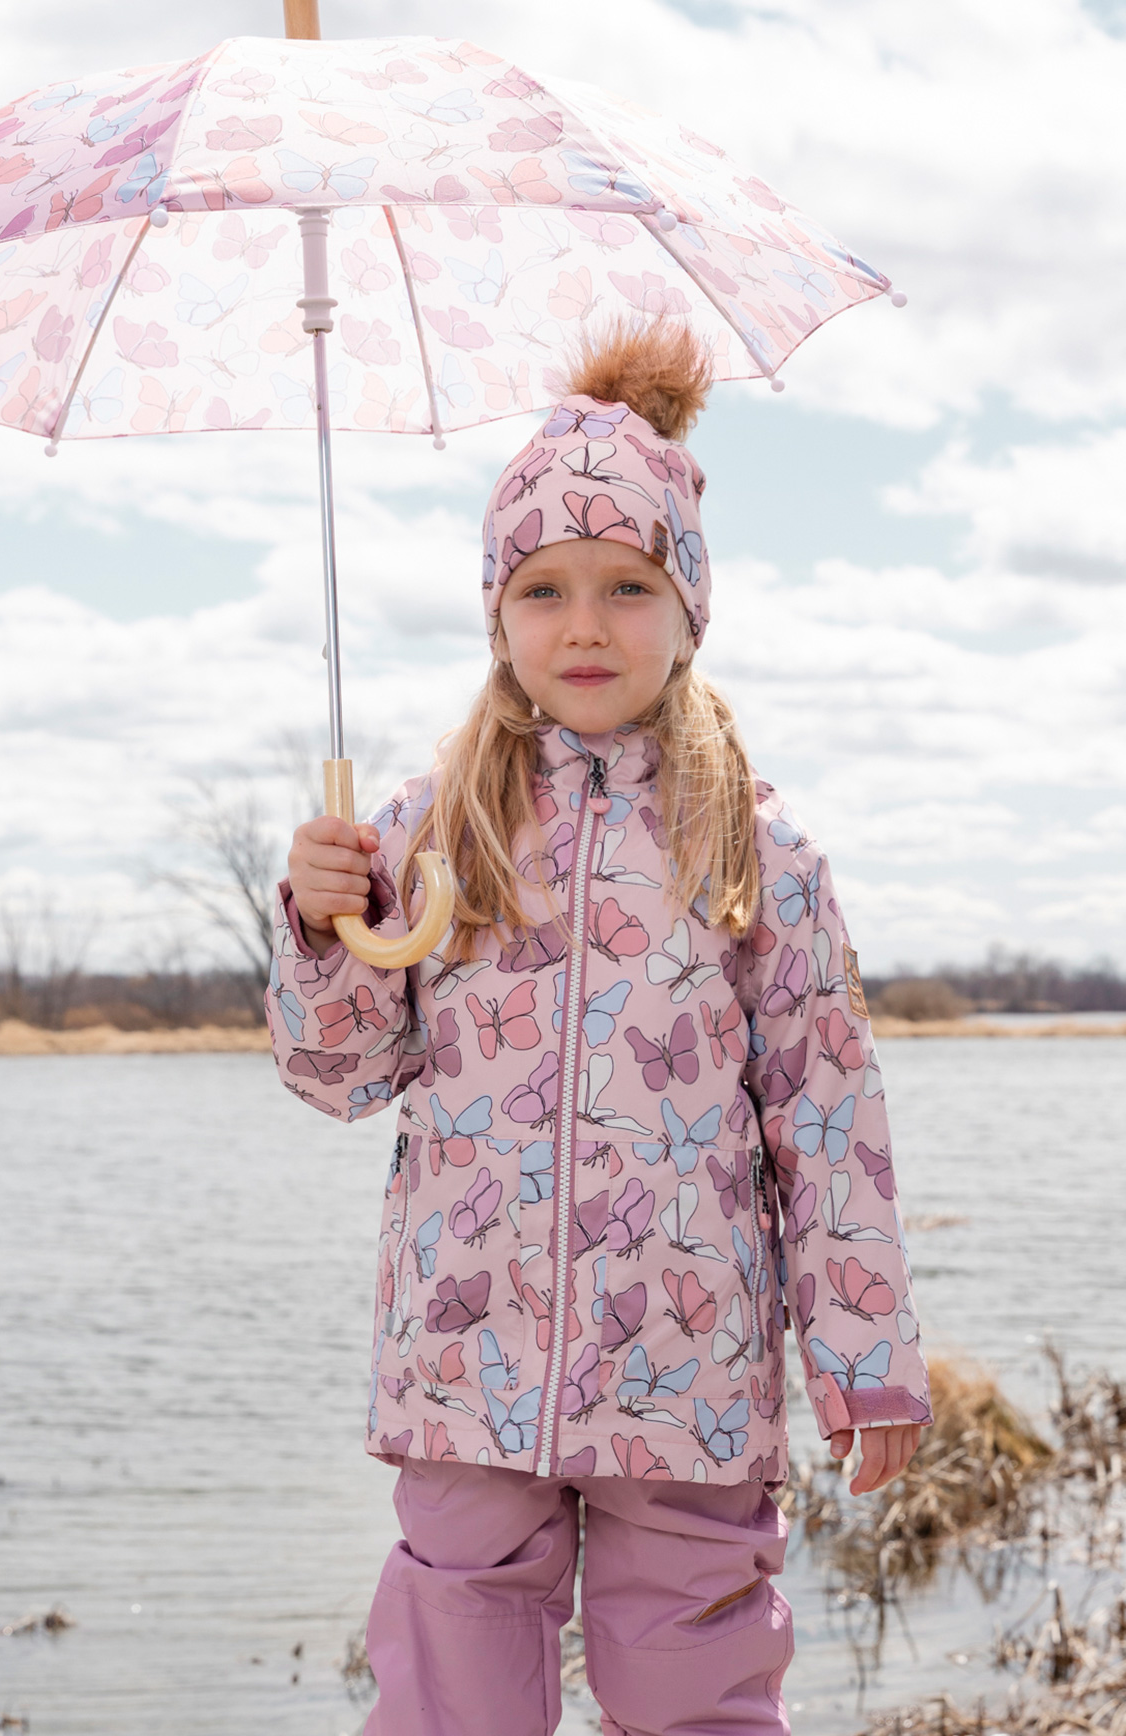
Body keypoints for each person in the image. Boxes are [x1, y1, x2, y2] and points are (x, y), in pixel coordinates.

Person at [266, 317, 931, 1736]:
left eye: (627, 586)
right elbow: (340, 1073)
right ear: (497, 618)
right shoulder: (429, 830)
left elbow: (827, 1120)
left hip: (686, 1371)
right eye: (545, 589)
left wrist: (864, 1356)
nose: (584, 625)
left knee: (696, 1682)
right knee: (453, 1687)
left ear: (688, 606)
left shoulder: (756, 852)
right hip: (467, 1356)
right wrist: (325, 932)